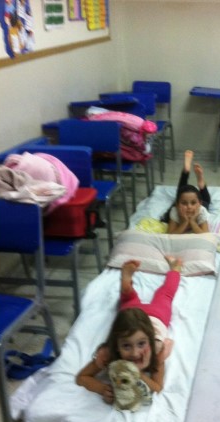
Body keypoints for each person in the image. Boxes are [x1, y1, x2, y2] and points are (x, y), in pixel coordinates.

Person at [75, 257, 182, 404]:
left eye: (141, 344)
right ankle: (127, 288)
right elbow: (81, 377)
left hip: (157, 316)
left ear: (150, 341)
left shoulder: (156, 351)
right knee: (131, 301)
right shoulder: (108, 354)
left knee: (166, 294)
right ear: (116, 345)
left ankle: (175, 268)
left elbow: (157, 388)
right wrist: (101, 388)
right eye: (126, 346)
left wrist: (139, 375)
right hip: (134, 315)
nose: (135, 353)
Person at [164, 150, 211, 234]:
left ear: (199, 204)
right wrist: (185, 222)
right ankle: (187, 172)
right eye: (184, 203)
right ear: (177, 205)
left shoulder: (202, 211)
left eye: (193, 203)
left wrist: (192, 222)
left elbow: (205, 235)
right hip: (178, 208)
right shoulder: (175, 211)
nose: (189, 207)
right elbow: (170, 235)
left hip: (199, 207)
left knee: (206, 201)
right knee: (182, 193)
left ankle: (199, 181)